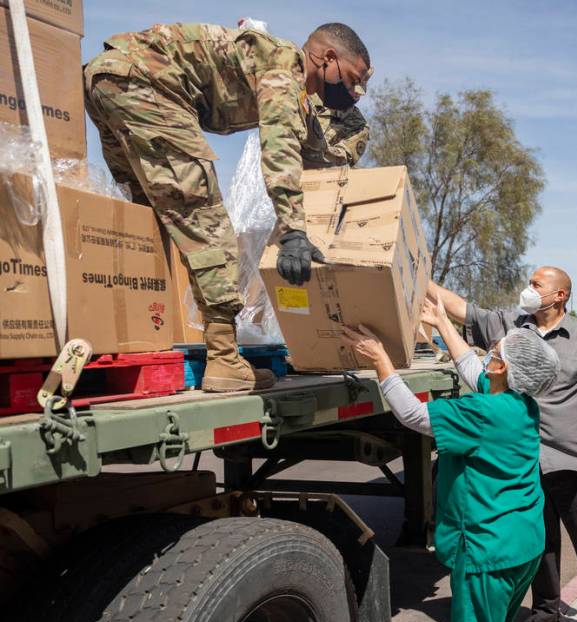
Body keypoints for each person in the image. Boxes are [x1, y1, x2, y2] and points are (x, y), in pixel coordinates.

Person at [341, 298, 558, 622]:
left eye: (494, 351)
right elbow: (475, 370)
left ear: (503, 366)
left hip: (489, 551)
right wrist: (442, 325)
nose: (487, 354)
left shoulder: (486, 411)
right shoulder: (517, 403)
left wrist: (380, 362)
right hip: (520, 545)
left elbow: (417, 417)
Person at [84, 21, 372, 391]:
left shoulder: (284, 80)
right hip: (147, 85)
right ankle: (223, 358)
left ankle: (127, 333)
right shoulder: (285, 68)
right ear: (327, 57)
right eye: (354, 78)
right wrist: (294, 231)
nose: (357, 91)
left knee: (146, 221)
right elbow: (279, 149)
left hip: (108, 78)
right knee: (206, 221)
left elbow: (313, 144)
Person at [428, 267, 577, 622]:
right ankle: (545, 611)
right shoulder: (510, 323)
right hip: (527, 462)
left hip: (576, 460)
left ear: (560, 296)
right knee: (540, 544)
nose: (529, 289)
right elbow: (462, 309)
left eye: (538, 284)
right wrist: (417, 273)